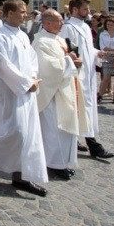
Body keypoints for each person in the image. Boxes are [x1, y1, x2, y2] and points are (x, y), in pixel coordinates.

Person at [0, 0, 47, 198]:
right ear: (9, 13)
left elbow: (32, 60)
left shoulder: (23, 36)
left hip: (27, 91)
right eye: (22, 11)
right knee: (17, 132)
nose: (26, 15)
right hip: (9, 91)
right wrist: (25, 83)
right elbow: (2, 66)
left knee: (29, 135)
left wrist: (32, 78)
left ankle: (21, 176)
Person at [33, 10, 88, 181]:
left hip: (66, 89)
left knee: (65, 129)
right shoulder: (40, 42)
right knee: (53, 130)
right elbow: (47, 68)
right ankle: (54, 163)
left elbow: (67, 61)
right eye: (58, 21)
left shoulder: (59, 39)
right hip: (52, 94)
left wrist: (75, 62)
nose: (62, 23)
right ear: (47, 23)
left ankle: (63, 161)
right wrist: (69, 61)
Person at [59, 0, 114, 159]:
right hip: (77, 74)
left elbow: (87, 48)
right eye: (85, 9)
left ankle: (76, 139)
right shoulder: (68, 28)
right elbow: (66, 50)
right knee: (79, 108)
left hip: (88, 75)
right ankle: (93, 145)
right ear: (74, 9)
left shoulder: (84, 26)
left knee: (86, 108)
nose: (88, 12)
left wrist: (97, 53)